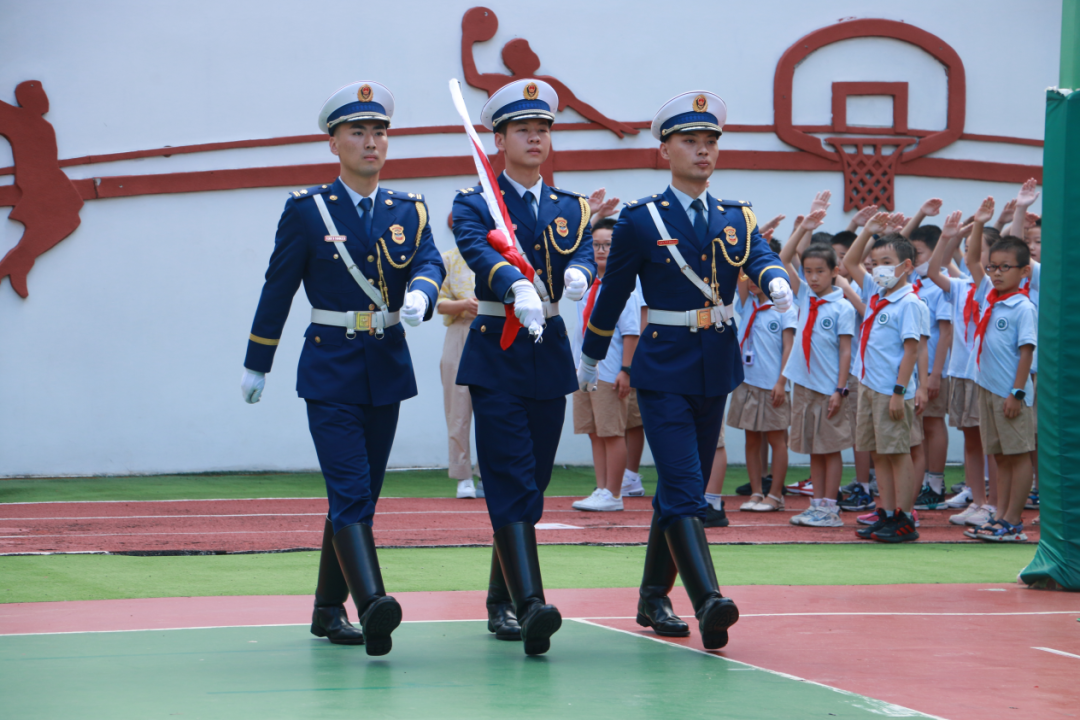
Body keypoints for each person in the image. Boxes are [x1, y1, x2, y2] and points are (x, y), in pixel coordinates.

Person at [578, 90, 793, 649]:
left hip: (715, 363)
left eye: (709, 142)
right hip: (664, 364)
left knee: (679, 487)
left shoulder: (735, 215)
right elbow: (613, 292)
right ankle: (708, 600)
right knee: (684, 486)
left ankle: (653, 596)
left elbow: (757, 253)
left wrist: (774, 278)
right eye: (690, 141)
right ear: (665, 150)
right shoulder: (642, 218)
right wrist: (591, 355)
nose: (703, 151)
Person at [240, 81, 445, 656]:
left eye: (379, 132)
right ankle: (373, 602)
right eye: (358, 132)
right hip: (330, 366)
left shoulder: (409, 209)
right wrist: (258, 361)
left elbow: (429, 261)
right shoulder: (307, 210)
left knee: (360, 496)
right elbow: (278, 288)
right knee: (351, 490)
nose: (371, 142)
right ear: (334, 143)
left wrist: (423, 293)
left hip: (386, 364)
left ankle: (327, 609)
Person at [451, 78, 596, 656]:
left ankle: (500, 600)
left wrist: (581, 271)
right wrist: (514, 283)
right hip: (497, 349)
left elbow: (580, 248)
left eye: (542, 129)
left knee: (532, 484)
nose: (535, 138)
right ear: (500, 139)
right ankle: (532, 603)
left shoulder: (570, 207)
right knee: (509, 475)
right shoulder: (475, 201)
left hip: (549, 348)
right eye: (523, 130)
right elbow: (476, 249)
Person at [843, 217, 926, 543]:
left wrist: (899, 392)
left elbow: (911, 350)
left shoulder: (909, 302)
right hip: (868, 385)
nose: (879, 269)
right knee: (879, 453)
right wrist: (868, 230)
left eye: (887, 263)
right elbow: (850, 262)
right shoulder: (877, 293)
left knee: (897, 453)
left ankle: (905, 518)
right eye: (875, 263)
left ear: (906, 266)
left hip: (891, 389)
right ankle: (888, 512)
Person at [779, 211, 856, 528]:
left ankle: (830, 508)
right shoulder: (805, 296)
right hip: (805, 385)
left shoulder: (842, 307)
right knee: (813, 446)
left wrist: (840, 389)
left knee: (830, 448)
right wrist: (802, 228)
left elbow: (846, 350)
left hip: (829, 389)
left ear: (835, 272)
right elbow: (785, 258)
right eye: (808, 271)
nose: (812, 278)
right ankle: (816, 505)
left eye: (820, 271)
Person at [963, 235, 1037, 542]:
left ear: (1024, 271)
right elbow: (971, 260)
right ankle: (1001, 516)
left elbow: (1026, 352)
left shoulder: (1023, 307)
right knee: (1001, 456)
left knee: (1018, 455)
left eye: (1005, 267)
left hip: (1011, 393)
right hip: (988, 389)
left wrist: (1017, 393)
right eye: (992, 267)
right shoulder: (991, 298)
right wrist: (979, 223)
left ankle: (1013, 522)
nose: (996, 273)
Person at [928, 204, 995, 527]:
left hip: (982, 375)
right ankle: (977, 500)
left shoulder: (990, 287)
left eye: (977, 248)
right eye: (968, 248)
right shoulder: (961, 285)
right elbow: (933, 270)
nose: (970, 254)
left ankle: (994, 504)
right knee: (971, 439)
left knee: (990, 443)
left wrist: (979, 226)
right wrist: (947, 238)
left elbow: (970, 264)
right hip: (960, 373)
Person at [571, 217, 640, 511]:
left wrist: (626, 370)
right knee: (594, 431)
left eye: (608, 245)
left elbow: (632, 332)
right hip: (583, 369)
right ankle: (601, 489)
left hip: (609, 371)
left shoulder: (624, 285)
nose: (601, 251)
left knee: (611, 432)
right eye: (596, 245)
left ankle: (614, 493)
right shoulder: (586, 283)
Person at [730, 267, 797, 513]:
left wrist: (781, 382)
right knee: (751, 439)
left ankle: (775, 494)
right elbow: (738, 268)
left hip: (773, 385)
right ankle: (756, 492)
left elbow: (789, 347)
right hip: (747, 382)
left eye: (758, 276)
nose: (752, 281)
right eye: (749, 276)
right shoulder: (746, 304)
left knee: (777, 440)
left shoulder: (785, 308)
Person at [436, 239, 484, 499]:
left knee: (495, 407)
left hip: (494, 333)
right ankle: (462, 475)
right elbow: (439, 303)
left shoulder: (501, 253)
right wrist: (465, 304)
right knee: (458, 408)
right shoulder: (449, 259)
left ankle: (488, 473)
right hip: (460, 331)